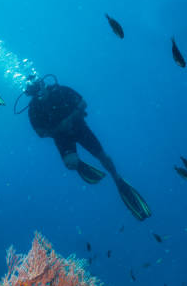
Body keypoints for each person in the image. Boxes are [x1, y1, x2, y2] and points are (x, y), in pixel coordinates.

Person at [19, 75, 151, 220]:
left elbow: (83, 103)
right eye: (34, 91)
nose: (39, 93)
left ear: (43, 84)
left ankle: (117, 178)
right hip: (61, 137)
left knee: (102, 156)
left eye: (39, 88)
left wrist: (69, 120)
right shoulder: (34, 109)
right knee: (71, 164)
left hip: (80, 128)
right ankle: (78, 163)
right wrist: (58, 129)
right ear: (30, 94)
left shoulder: (61, 91)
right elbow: (40, 133)